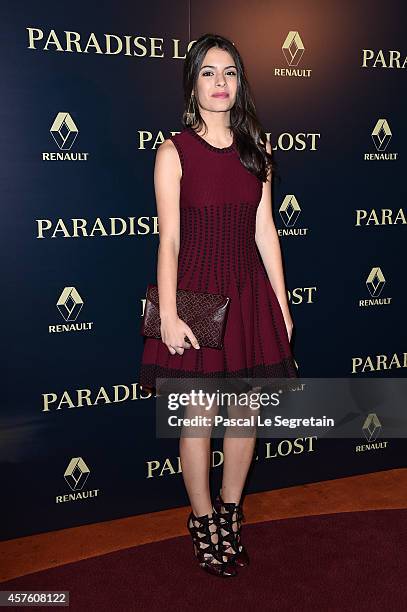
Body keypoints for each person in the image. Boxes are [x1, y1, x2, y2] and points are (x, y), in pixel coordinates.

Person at [139, 33, 298, 577]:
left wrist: (282, 304)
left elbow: (266, 232)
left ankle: (232, 511)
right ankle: (202, 518)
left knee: (245, 414)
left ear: (240, 82)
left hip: (250, 293)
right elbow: (170, 242)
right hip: (198, 296)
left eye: (229, 72)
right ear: (192, 83)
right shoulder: (173, 151)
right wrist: (170, 314)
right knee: (199, 417)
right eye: (208, 72)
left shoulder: (259, 150)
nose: (220, 82)